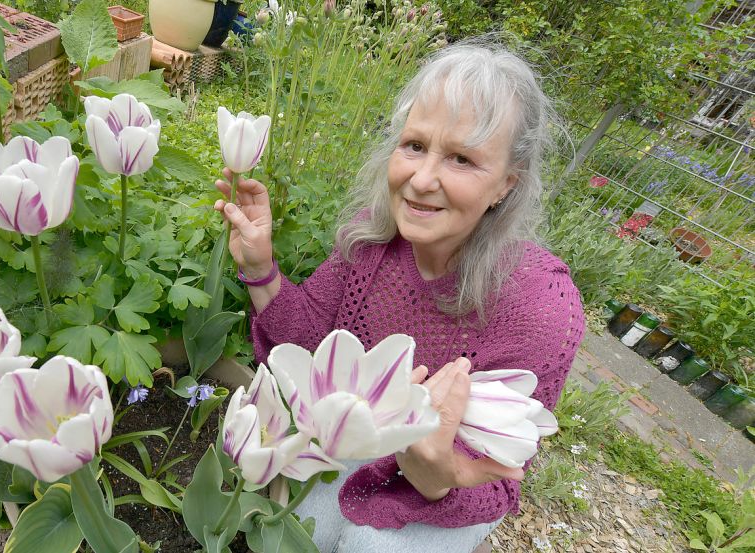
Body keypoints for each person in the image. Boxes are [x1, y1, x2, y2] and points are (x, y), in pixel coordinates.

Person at [213, 41, 585, 552]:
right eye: (414, 145)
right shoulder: (374, 246)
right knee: (293, 521)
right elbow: (306, 350)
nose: (422, 179)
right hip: (357, 440)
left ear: (506, 185)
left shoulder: (540, 308)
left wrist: (438, 474)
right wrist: (259, 268)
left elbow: (500, 479)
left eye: (461, 158)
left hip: (443, 486)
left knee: (373, 547)